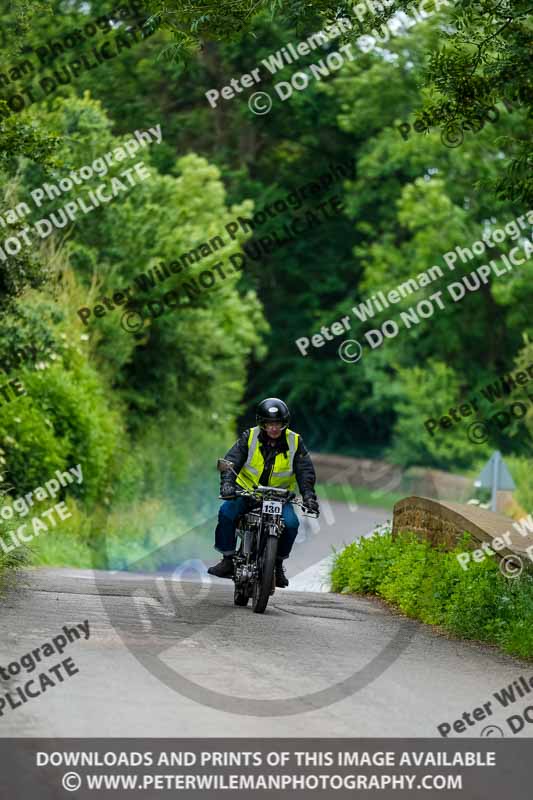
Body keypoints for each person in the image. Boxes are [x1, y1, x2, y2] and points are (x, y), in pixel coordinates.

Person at [207, 398, 319, 588]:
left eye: (278, 424)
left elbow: (305, 472)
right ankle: (227, 559)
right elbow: (231, 461)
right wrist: (227, 485)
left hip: (279, 497)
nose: (274, 428)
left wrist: (308, 496)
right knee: (226, 513)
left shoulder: (295, 441)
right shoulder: (248, 437)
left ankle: (277, 565)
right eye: (269, 423)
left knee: (292, 524)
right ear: (262, 423)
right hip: (248, 493)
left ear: (284, 423)